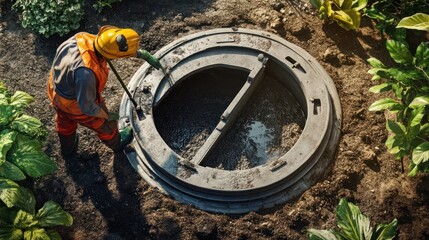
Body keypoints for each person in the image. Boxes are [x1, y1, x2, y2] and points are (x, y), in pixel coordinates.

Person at [47, 25, 162, 156]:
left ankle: (67, 148)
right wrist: (107, 116)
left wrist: (141, 54)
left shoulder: (83, 38)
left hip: (56, 89)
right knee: (105, 124)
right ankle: (117, 143)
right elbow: (87, 107)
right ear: (111, 56)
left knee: (64, 120)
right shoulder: (87, 74)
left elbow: (115, 47)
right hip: (75, 105)